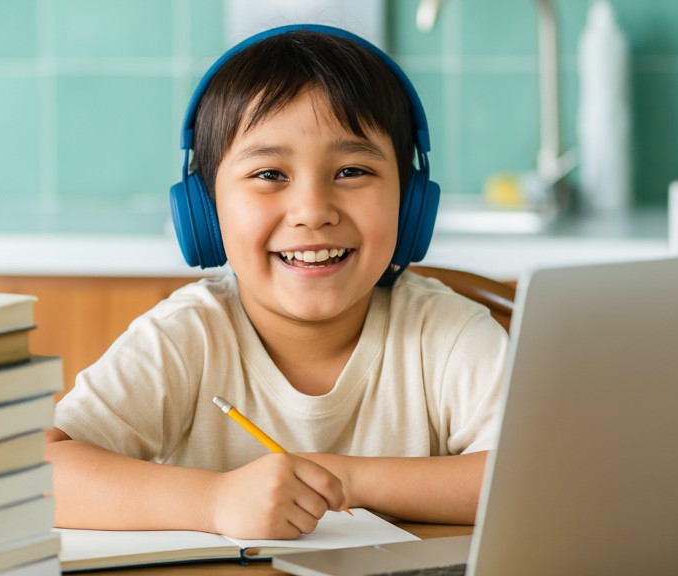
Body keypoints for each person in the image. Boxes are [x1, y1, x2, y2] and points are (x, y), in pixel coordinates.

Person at [44, 25, 508, 541]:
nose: (312, 212)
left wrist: (342, 477)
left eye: (352, 170)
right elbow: (36, 473)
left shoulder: (448, 331)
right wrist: (213, 501)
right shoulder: (186, 336)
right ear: (205, 209)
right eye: (269, 174)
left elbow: (534, 478)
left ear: (412, 201)